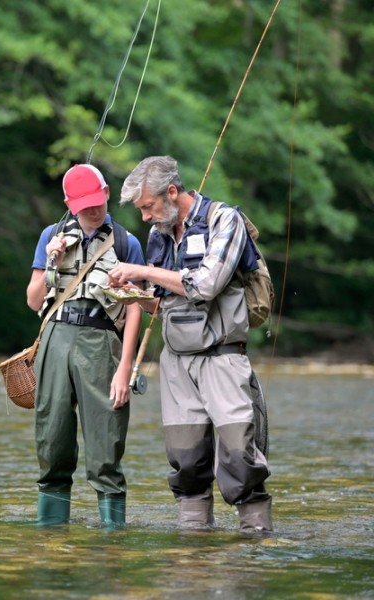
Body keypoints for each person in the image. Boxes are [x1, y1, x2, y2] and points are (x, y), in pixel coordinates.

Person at [107, 155, 273, 533]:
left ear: (171, 191)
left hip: (223, 357)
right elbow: (161, 303)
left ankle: (256, 542)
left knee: (238, 455)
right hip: (176, 361)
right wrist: (134, 293)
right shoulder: (159, 234)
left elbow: (206, 285)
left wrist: (142, 271)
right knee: (186, 459)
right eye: (141, 210)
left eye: (147, 207)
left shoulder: (224, 220)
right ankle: (193, 544)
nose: (145, 217)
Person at [26, 163, 144, 527]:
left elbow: (136, 306)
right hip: (55, 340)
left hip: (102, 343)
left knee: (106, 442)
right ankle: (51, 535)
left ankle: (112, 538)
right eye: (84, 204)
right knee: (52, 439)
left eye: (97, 200)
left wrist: (125, 368)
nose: (93, 209)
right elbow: (33, 301)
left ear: (107, 192)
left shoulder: (127, 242)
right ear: (68, 202)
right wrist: (52, 262)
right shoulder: (52, 234)